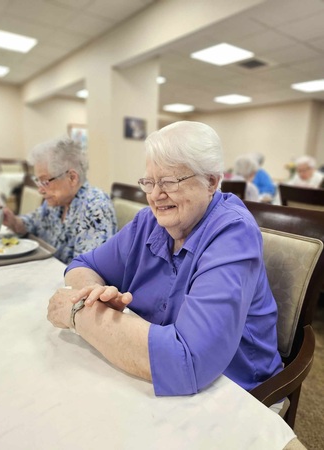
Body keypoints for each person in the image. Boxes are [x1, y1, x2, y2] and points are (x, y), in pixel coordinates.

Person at [47, 121, 283, 402]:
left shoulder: (233, 234)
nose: (156, 195)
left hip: (237, 391)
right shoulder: (149, 222)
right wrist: (91, 295)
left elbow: (188, 361)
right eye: (149, 182)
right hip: (158, 379)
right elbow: (83, 265)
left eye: (170, 181)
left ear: (211, 181)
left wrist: (79, 314)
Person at [0, 137, 117, 264]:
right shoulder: (56, 202)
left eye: (45, 181)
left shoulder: (95, 208)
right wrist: (13, 221)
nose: (40, 190)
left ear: (72, 178)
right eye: (38, 181)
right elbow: (30, 224)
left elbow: (88, 269)